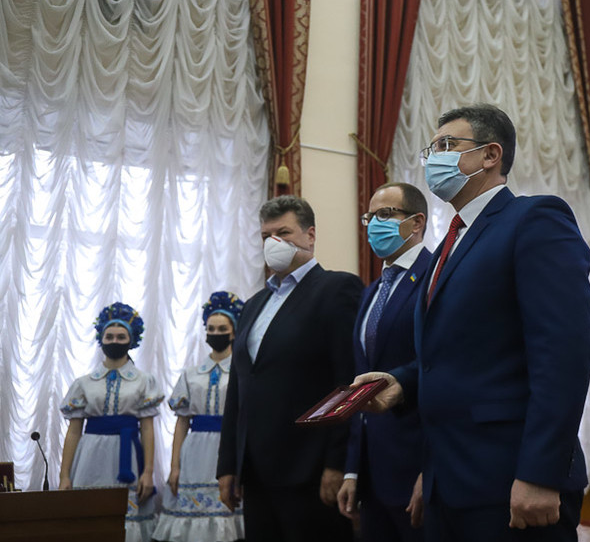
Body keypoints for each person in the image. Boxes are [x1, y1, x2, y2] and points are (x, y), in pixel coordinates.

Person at [353, 104, 590, 541]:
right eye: (431, 149)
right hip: (448, 480)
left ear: (490, 155)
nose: (434, 158)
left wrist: (540, 473)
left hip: (511, 477)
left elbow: (563, 356)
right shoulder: (449, 244)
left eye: (447, 145)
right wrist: (401, 383)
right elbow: (453, 355)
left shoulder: (534, 219)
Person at [217, 195, 363, 542]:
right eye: (266, 236)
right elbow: (239, 387)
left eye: (283, 233)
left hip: (309, 470)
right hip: (255, 472)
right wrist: (228, 465)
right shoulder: (253, 304)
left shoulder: (336, 289)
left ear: (310, 235)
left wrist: (337, 463)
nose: (273, 242)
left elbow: (348, 382)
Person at [336, 183, 430, 541]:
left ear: (416, 222)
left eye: (386, 214)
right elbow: (362, 383)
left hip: (418, 466)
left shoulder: (437, 276)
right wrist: (352, 470)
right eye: (370, 216)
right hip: (373, 475)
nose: (375, 224)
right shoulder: (371, 291)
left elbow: (442, 369)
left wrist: (432, 469)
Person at [59, 302, 164, 542]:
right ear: (101, 339)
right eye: (109, 336)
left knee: (127, 521)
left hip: (128, 457)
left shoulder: (144, 381)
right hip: (90, 458)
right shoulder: (84, 383)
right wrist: (65, 475)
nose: (114, 341)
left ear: (131, 340)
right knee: (89, 520)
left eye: (120, 337)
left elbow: (148, 429)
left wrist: (148, 472)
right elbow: (73, 432)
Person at [153, 291, 246, 541]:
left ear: (234, 332)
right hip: (195, 451)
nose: (216, 333)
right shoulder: (191, 374)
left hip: (227, 445)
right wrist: (174, 467)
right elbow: (182, 422)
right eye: (211, 329)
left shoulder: (242, 372)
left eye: (222, 329)